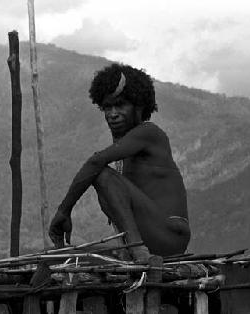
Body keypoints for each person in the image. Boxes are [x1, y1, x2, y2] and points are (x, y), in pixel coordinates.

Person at [48, 63, 190, 262]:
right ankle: (131, 248)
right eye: (107, 107)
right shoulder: (126, 151)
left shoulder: (149, 132)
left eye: (120, 105)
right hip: (153, 237)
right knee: (57, 259)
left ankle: (136, 248)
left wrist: (64, 211)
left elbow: (96, 162)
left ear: (139, 107)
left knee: (102, 174)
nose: (112, 114)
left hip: (170, 236)